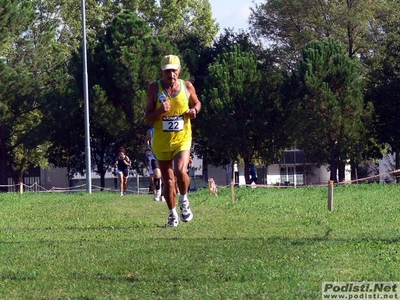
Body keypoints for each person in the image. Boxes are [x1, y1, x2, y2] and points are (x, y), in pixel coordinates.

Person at [145, 54, 201, 227]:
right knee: (168, 180)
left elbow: (197, 103)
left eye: (174, 70)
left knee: (180, 170)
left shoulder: (187, 86)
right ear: (163, 72)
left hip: (182, 138)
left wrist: (195, 111)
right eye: (168, 71)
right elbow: (148, 117)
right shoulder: (154, 89)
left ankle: (184, 200)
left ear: (179, 70)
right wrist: (160, 111)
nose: (171, 74)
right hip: (161, 141)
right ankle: (172, 214)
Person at [144, 127, 163, 201]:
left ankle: (163, 194)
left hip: (165, 155)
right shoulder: (151, 131)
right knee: (157, 174)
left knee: (164, 176)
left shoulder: (166, 128)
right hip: (154, 156)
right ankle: (158, 192)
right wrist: (147, 149)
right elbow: (146, 140)